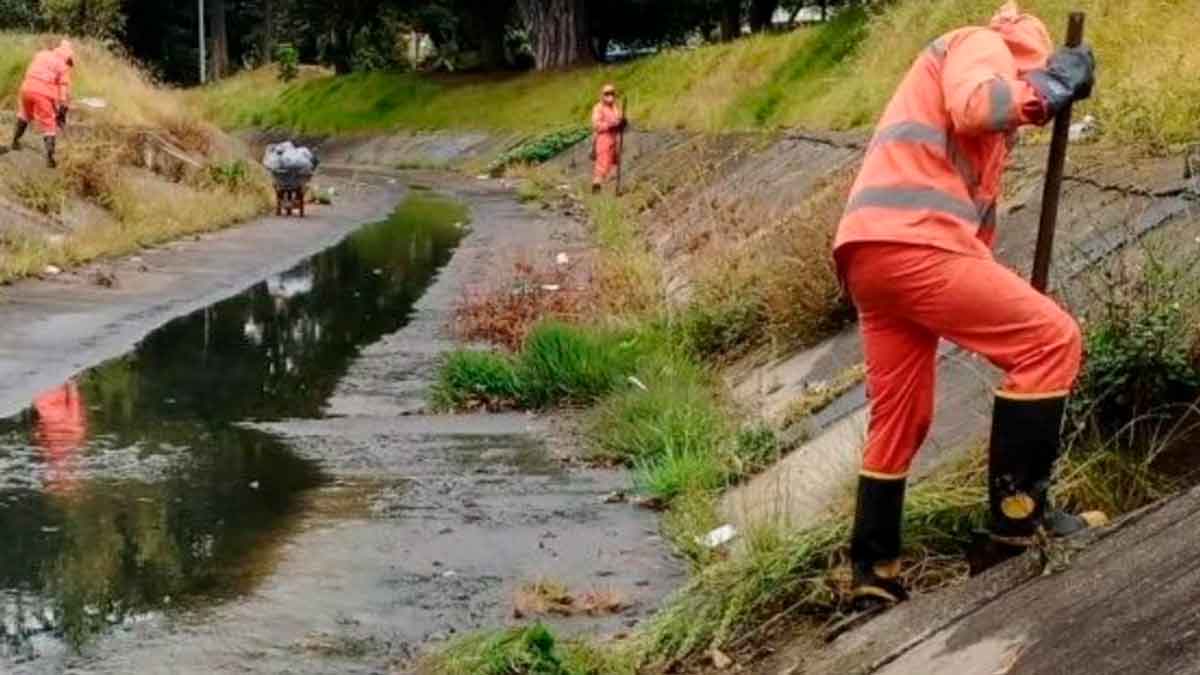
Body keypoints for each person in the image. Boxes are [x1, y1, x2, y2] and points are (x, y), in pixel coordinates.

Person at [832, 1, 1102, 607]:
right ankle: (1018, 525)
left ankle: (873, 572)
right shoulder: (985, 45)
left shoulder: (958, 88)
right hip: (915, 243)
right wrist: (1051, 88)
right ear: (1028, 58)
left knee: (902, 416)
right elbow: (980, 106)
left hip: (871, 255)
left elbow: (972, 206)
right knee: (1050, 340)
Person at [12, 39, 75, 168]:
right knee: (49, 123)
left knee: (25, 114)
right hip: (43, 94)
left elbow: (35, 71)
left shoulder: (41, 54)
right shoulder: (63, 67)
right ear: (67, 56)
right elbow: (63, 89)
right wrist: (62, 110)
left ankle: (14, 141)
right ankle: (50, 159)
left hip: (26, 88)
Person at [590, 83, 627, 193]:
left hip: (615, 138)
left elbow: (618, 121)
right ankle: (596, 187)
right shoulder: (598, 108)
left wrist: (622, 123)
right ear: (602, 95)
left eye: (612, 93)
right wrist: (610, 125)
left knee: (615, 163)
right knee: (603, 163)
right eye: (607, 93)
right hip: (603, 138)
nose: (610, 96)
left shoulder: (615, 108)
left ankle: (613, 188)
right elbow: (596, 125)